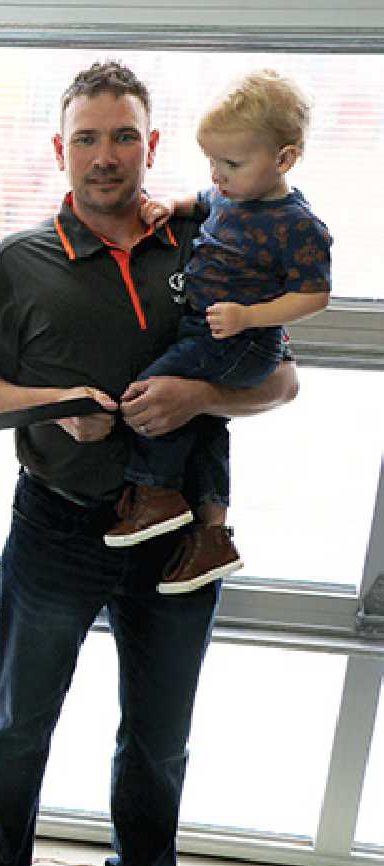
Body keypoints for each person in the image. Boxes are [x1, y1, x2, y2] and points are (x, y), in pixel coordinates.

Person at [0, 61, 299, 866]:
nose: (106, 156)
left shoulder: (210, 242)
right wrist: (51, 407)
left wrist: (202, 396)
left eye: (124, 136)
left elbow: (282, 381)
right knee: (20, 726)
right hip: (57, 530)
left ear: (154, 144)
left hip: (179, 542)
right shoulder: (20, 260)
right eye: (88, 138)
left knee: (158, 739)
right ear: (59, 149)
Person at [103, 69, 331, 594]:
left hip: (241, 340)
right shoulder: (232, 194)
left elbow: (315, 296)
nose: (219, 174)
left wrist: (250, 316)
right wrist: (173, 206)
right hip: (208, 330)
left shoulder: (297, 225)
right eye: (212, 161)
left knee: (153, 392)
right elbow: (204, 201)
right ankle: (211, 532)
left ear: (284, 159)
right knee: (205, 424)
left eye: (231, 163)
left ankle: (156, 493)